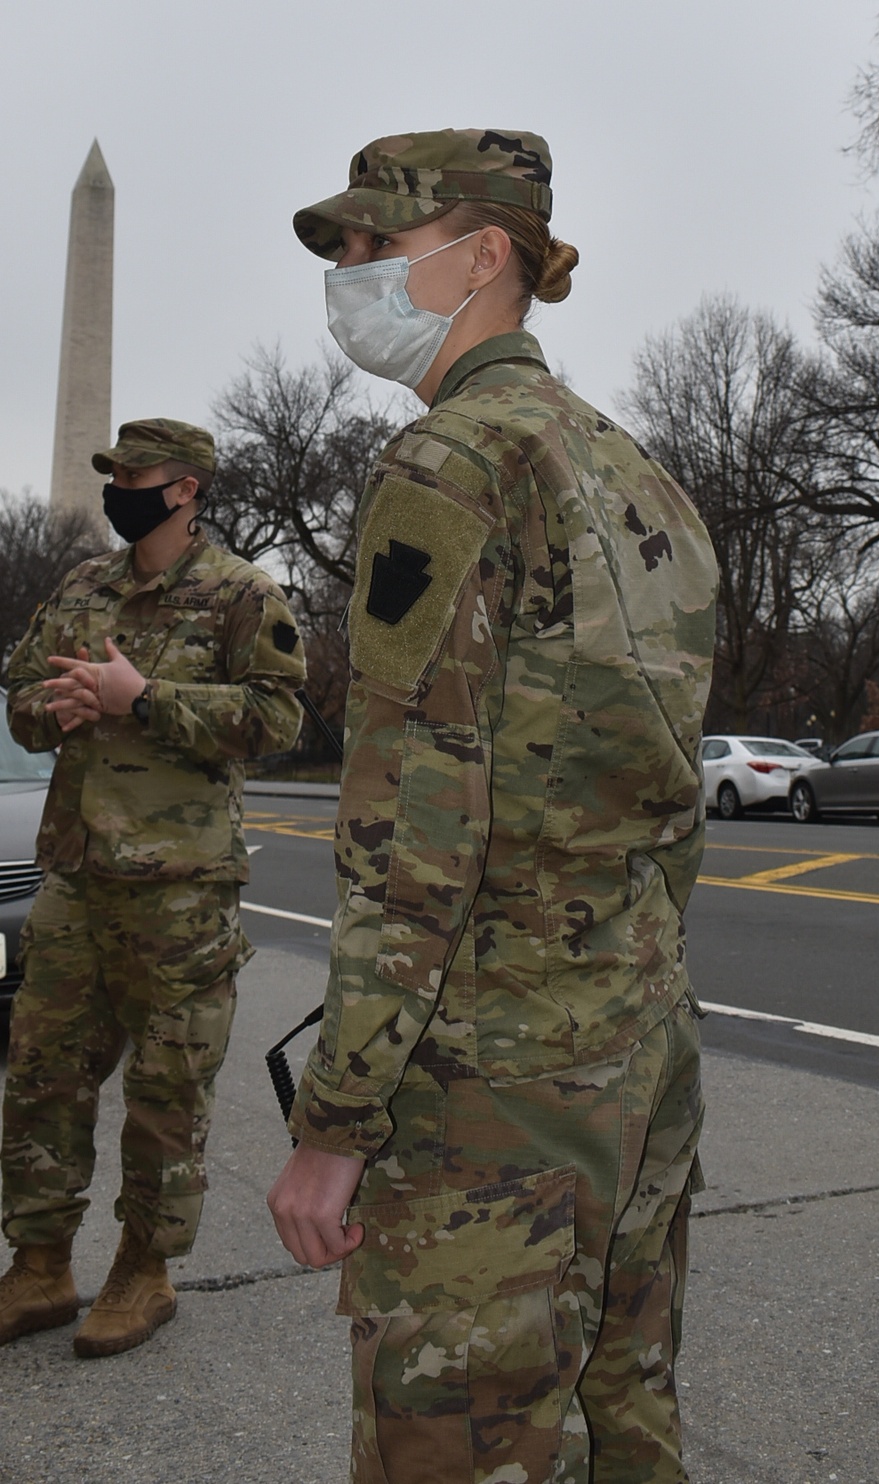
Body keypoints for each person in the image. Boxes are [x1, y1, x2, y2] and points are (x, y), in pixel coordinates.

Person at [267, 130, 717, 1484]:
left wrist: (337, 1123)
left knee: (459, 1450)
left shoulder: (451, 468)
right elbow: (667, 809)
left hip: (489, 1096)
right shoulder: (640, 478)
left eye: (371, 247)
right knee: (627, 1421)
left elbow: (414, 827)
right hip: (635, 1056)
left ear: (479, 257)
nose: (347, 275)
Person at [1, 418, 305, 1358]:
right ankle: (40, 1265)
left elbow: (278, 718)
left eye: (138, 475)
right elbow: (17, 694)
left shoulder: (243, 593)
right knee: (41, 1079)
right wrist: (59, 703)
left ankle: (145, 1270)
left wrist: (144, 699)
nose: (120, 486)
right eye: (115, 473)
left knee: (167, 1094)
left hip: (181, 891)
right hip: (77, 879)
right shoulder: (84, 584)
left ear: (188, 490)